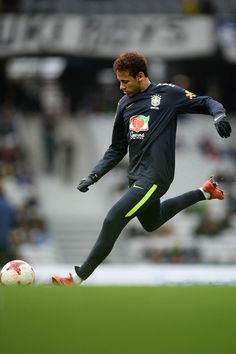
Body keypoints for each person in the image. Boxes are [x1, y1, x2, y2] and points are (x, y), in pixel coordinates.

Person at [52, 52, 231, 285]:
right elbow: (117, 148)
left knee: (113, 218)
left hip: (156, 175)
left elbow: (207, 101)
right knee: (151, 223)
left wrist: (218, 115)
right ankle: (204, 192)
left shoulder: (167, 94)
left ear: (140, 76)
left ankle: (76, 277)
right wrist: (93, 175)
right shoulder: (124, 105)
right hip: (136, 175)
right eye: (119, 81)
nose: (121, 86)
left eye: (125, 81)